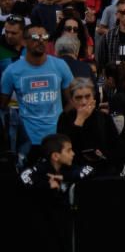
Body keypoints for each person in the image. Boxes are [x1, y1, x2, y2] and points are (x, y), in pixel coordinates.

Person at [1, 23, 74, 165]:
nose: (41, 41)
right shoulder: (12, 71)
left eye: (44, 37)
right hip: (27, 141)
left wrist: (61, 121)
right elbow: (2, 106)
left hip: (56, 139)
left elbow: (73, 100)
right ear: (23, 41)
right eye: (35, 37)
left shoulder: (60, 65)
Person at [56, 78, 120, 175]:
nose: (84, 102)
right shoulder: (65, 118)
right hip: (75, 171)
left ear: (93, 97)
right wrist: (79, 120)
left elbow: (115, 147)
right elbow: (64, 148)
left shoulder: (103, 117)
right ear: (72, 101)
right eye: (78, 98)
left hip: (101, 170)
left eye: (87, 96)